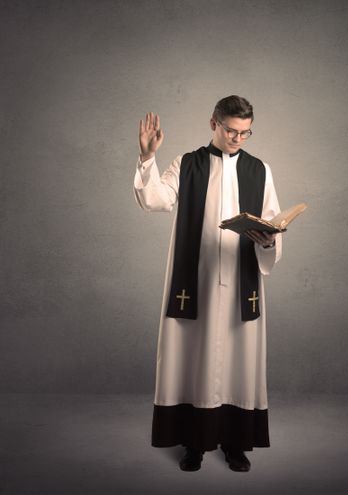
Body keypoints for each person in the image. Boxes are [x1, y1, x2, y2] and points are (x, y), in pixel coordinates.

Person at [133, 95, 282, 472]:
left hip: (239, 282)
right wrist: (147, 158)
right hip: (195, 281)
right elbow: (155, 200)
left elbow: (272, 221)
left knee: (239, 362)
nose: (237, 138)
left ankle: (235, 444)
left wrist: (269, 240)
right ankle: (194, 443)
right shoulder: (186, 164)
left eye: (245, 133)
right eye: (230, 130)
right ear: (213, 123)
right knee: (191, 359)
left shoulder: (260, 170)